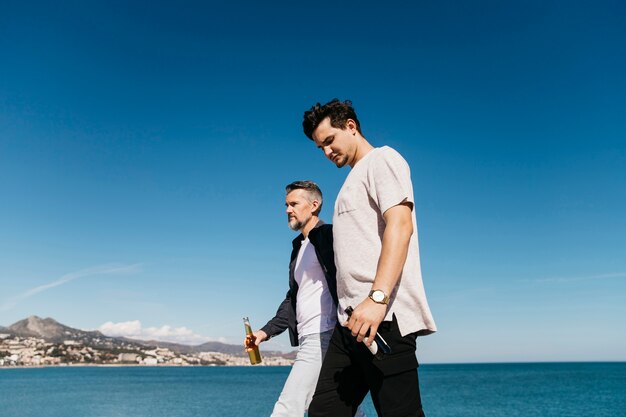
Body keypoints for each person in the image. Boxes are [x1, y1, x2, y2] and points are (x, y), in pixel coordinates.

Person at [302, 99, 437, 417]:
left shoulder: (382, 160)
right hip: (349, 324)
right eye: (320, 147)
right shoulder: (351, 181)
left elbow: (401, 226)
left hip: (384, 320)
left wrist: (378, 298)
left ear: (350, 126)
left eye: (329, 141)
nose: (326, 152)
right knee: (323, 410)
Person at [244, 180, 366, 417]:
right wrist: (264, 332)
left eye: (293, 204)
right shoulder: (299, 247)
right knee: (342, 407)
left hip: (326, 333)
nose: (287, 210)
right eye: (286, 205)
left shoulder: (330, 236)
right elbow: (294, 299)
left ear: (314, 205)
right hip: (310, 336)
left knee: (287, 408)